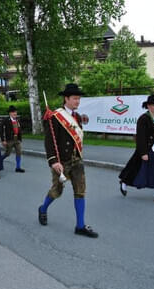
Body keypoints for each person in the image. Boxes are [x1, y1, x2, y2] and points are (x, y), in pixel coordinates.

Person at [38, 83, 98, 238]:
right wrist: (53, 161)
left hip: (76, 160)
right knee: (57, 191)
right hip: (61, 161)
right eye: (75, 98)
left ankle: (80, 225)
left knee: (80, 191)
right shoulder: (55, 117)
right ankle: (43, 208)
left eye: (79, 98)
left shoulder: (76, 117)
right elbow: (49, 141)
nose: (78, 101)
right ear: (66, 98)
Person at [119, 95, 154, 204]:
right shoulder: (143, 118)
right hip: (148, 149)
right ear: (148, 106)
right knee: (139, 170)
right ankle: (124, 182)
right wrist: (143, 153)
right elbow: (141, 137)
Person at [1, 105, 25, 173]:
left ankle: (18, 167)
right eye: (13, 112)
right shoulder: (6, 120)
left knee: (19, 152)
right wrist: (3, 140)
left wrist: (20, 138)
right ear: (10, 113)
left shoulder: (17, 120)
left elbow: (19, 129)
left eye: (15, 112)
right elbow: (1, 130)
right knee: (7, 153)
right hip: (9, 140)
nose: (15, 113)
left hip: (17, 139)